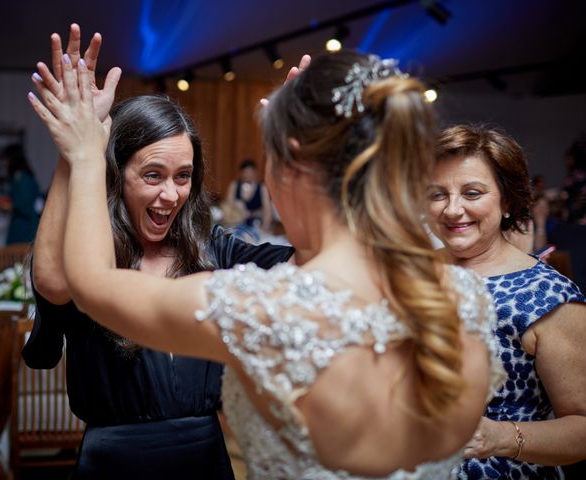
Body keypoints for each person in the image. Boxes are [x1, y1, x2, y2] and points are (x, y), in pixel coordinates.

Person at [29, 49, 504, 479]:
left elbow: (89, 282)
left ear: (289, 162)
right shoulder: (464, 302)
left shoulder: (261, 306)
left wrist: (86, 150)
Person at [24, 25, 298, 479]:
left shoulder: (216, 250)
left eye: (183, 176)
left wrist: (303, 165)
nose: (171, 194)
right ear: (117, 175)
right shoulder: (91, 255)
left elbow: (312, 268)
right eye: (153, 175)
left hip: (206, 460)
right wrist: (76, 148)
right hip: (113, 464)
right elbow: (53, 283)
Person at [426, 124, 586, 479]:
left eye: (472, 193)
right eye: (438, 194)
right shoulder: (409, 274)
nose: (453, 210)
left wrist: (500, 437)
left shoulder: (548, 296)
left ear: (508, 201)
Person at [3, 143, 43, 244]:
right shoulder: (23, 175)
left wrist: (9, 206)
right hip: (24, 221)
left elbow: (25, 204)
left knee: (18, 255)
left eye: (6, 159)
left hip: (24, 225)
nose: (5, 162)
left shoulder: (21, 177)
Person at [224, 158, 273, 234]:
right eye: (246, 172)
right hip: (237, 223)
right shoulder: (234, 185)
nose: (248, 175)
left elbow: (267, 209)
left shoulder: (262, 187)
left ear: (255, 172)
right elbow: (228, 207)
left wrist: (265, 227)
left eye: (250, 172)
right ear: (241, 173)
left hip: (256, 224)